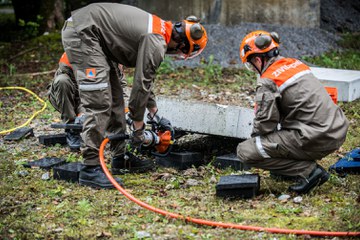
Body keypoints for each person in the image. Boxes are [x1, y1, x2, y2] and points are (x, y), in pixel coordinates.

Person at [61, 3, 208, 189]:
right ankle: (90, 167)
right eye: (182, 51)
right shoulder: (157, 41)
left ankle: (119, 157)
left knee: (116, 99)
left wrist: (153, 112)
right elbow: (141, 85)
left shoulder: (160, 30)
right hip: (83, 32)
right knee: (99, 102)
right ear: (182, 44)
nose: (177, 54)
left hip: (95, 34)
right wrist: (138, 126)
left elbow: (145, 76)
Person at [237, 30, 349, 194]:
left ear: (258, 59)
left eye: (251, 65)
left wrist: (258, 143)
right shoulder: (296, 64)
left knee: (246, 151)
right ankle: (289, 168)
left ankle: (309, 172)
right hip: (336, 129)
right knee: (278, 138)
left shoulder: (268, 80)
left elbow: (265, 124)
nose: (253, 70)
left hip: (316, 136)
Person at [48, 52, 128, 151]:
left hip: (94, 94)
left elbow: (121, 86)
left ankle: (105, 129)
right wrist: (82, 112)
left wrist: (125, 110)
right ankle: (72, 129)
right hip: (68, 95)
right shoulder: (73, 54)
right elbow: (84, 89)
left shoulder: (112, 56)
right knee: (62, 81)